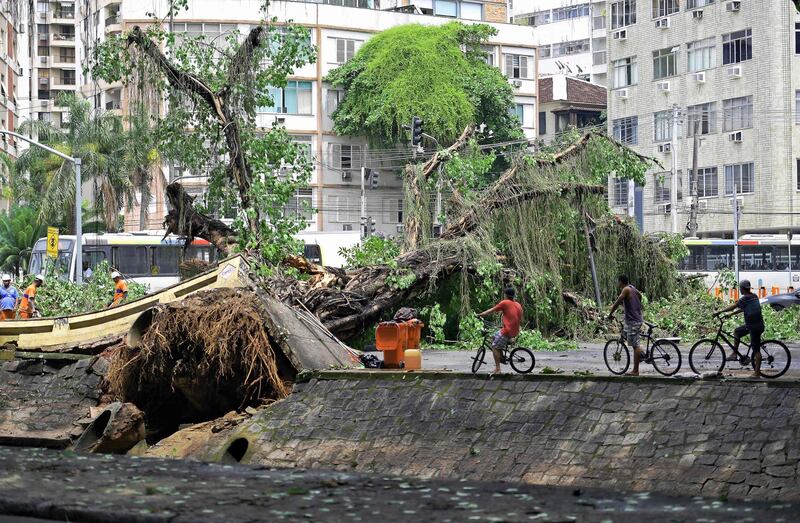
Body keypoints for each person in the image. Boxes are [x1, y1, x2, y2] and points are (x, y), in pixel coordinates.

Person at [714, 279, 764, 378]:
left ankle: (757, 373)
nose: (740, 290)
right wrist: (731, 314)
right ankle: (734, 354)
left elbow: (734, 306)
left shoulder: (745, 298)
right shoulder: (754, 296)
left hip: (754, 327)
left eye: (740, 288)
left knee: (756, 350)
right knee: (737, 331)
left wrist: (719, 312)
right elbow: (743, 308)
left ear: (742, 289)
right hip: (753, 325)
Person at [478, 287, 523, 375]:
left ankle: (498, 369)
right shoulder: (518, 304)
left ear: (506, 295)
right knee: (495, 336)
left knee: (494, 346)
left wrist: (481, 314)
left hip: (507, 331)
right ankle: (501, 356)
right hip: (515, 331)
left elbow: (492, 310)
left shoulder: (505, 302)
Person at [608, 275, 644, 376]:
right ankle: (642, 354)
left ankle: (635, 371)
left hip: (633, 321)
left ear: (620, 282)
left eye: (617, 282)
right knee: (628, 336)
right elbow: (640, 296)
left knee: (635, 345)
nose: (617, 284)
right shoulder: (633, 289)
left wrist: (610, 314)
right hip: (634, 319)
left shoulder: (626, 289)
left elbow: (617, 302)